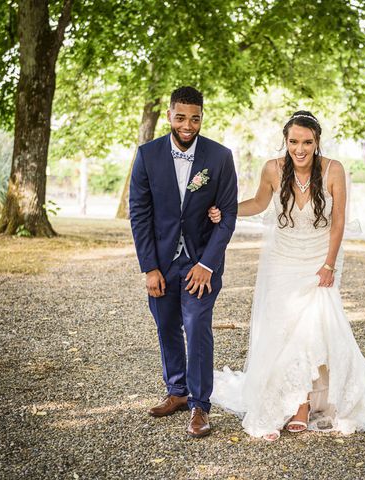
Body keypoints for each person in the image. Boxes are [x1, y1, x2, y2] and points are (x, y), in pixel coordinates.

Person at [207, 111, 365, 441]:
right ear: (286, 141)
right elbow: (261, 203)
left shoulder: (334, 170)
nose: (300, 149)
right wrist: (228, 209)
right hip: (283, 260)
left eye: (307, 142)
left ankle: (303, 406)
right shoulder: (272, 169)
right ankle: (285, 399)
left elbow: (338, 222)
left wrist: (329, 264)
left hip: (320, 258)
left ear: (317, 141)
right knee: (283, 330)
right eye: (293, 142)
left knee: (313, 331)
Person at [129, 86, 238, 438]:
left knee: (196, 326)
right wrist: (149, 268)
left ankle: (199, 406)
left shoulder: (220, 157)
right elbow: (139, 214)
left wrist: (207, 264)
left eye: (195, 118)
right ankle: (176, 391)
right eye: (181, 117)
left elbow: (229, 213)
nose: (188, 125)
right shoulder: (147, 155)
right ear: (169, 116)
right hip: (161, 262)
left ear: (202, 117)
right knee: (166, 325)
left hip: (199, 264)